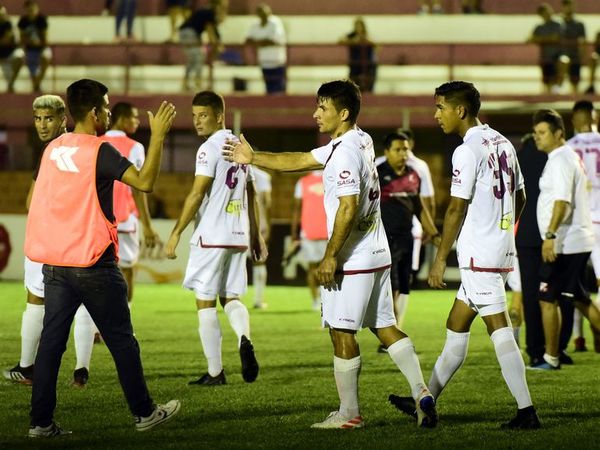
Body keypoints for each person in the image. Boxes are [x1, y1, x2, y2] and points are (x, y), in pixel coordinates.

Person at [223, 79, 438, 429]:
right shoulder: (359, 140)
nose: (315, 113)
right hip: (377, 252)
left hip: (353, 260)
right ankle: (421, 392)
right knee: (385, 326)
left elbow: (348, 205)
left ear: (344, 113)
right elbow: (301, 159)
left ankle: (349, 413)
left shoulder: (346, 154)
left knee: (341, 331)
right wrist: (254, 156)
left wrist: (330, 256)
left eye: (322, 108)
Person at [24, 79, 179, 437]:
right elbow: (144, 183)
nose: (109, 113)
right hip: (93, 262)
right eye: (106, 107)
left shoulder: (52, 150)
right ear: (93, 113)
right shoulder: (101, 150)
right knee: (122, 341)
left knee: (50, 344)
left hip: (56, 264)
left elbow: (36, 202)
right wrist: (157, 138)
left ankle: (41, 423)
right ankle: (144, 413)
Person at [390, 81, 540, 429]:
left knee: (499, 328)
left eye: (440, 107)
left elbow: (456, 208)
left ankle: (527, 411)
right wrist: (502, 231)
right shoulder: (503, 141)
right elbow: (521, 197)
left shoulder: (466, 150)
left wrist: (440, 258)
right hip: (498, 250)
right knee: (456, 326)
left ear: (460, 110)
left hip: (479, 255)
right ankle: (424, 402)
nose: (435, 114)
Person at [165, 90, 265, 387]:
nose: (197, 121)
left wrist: (175, 233)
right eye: (194, 116)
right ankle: (244, 338)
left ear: (219, 116)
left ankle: (215, 372)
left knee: (205, 303)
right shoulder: (241, 146)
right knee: (231, 298)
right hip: (238, 235)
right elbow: (251, 192)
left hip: (211, 234)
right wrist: (256, 234)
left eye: (203, 115)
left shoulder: (209, 148)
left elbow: (197, 193)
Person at [3, 94, 96, 388]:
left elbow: (32, 201)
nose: (42, 125)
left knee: (36, 299)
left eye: (49, 119)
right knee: (83, 302)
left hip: (48, 240)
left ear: (62, 119)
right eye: (37, 118)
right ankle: (81, 370)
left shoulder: (51, 151)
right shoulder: (83, 146)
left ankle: (27, 367)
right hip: (80, 239)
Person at [532, 108, 600, 370]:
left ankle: (551, 358)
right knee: (581, 299)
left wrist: (550, 236)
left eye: (542, 132)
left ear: (559, 133)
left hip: (567, 242)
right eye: (535, 132)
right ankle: (553, 355)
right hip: (576, 238)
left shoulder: (561, 159)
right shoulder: (564, 157)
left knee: (546, 297)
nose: (537, 137)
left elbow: (562, 201)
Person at [377, 132, 439, 336]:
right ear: (386, 152)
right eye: (398, 149)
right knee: (389, 286)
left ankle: (392, 330)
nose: (403, 153)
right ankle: (393, 333)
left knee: (403, 286)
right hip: (384, 239)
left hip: (406, 238)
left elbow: (419, 207)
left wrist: (434, 233)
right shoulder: (376, 174)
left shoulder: (414, 174)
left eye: (405, 149)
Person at [101, 102, 161, 305]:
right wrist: (148, 225)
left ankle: (94, 328)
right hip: (125, 220)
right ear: (122, 118)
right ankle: (122, 329)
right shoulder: (135, 147)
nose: (137, 121)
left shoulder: (96, 143)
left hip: (98, 221)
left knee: (97, 275)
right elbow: (138, 187)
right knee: (127, 271)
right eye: (134, 117)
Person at [566, 100, 600, 353]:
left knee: (574, 282)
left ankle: (579, 337)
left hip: (580, 222)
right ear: (594, 116)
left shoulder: (568, 148)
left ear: (575, 119)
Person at [291, 170, 328, 311]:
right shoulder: (331, 178)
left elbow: (296, 209)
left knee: (313, 268)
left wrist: (294, 232)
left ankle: (316, 300)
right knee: (327, 268)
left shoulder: (303, 182)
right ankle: (322, 298)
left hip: (310, 230)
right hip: (326, 231)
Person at [179, 0, 224, 91]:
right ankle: (197, 82)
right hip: (190, 33)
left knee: (192, 59)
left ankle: (186, 82)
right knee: (199, 56)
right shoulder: (209, 13)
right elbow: (210, 30)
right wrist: (215, 44)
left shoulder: (204, 11)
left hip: (185, 32)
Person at [245, 3, 287, 95]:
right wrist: (264, 42)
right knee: (269, 90)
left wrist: (257, 43)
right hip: (264, 62)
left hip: (277, 62)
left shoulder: (275, 22)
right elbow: (248, 40)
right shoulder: (255, 25)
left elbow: (273, 41)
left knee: (279, 91)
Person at [528, 3, 562, 94]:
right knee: (546, 80)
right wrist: (546, 38)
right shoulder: (539, 27)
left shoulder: (557, 24)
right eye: (544, 13)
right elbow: (530, 39)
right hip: (545, 56)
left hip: (556, 56)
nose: (547, 14)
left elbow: (555, 38)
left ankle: (554, 95)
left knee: (554, 78)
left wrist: (541, 39)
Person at [17, 0, 51, 92]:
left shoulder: (42, 20)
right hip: (29, 48)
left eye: (33, 9)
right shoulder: (23, 21)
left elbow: (45, 38)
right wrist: (28, 42)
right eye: (29, 9)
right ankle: (36, 86)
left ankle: (37, 84)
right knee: (30, 63)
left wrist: (39, 43)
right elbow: (21, 39)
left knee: (46, 57)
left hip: (41, 47)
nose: (31, 11)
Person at [250, 166, 271, 309]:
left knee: (234, 261)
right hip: (258, 221)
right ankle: (258, 299)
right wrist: (267, 224)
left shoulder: (233, 170)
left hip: (235, 221)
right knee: (259, 260)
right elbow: (267, 202)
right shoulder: (263, 176)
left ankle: (232, 299)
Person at [338, 17, 377, 93]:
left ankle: (368, 93)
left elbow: (376, 45)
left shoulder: (366, 35)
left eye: (360, 26)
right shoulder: (351, 35)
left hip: (366, 63)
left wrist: (366, 40)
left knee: (368, 81)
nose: (358, 28)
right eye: (357, 26)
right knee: (353, 81)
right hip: (355, 62)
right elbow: (340, 40)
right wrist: (353, 41)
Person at [557, 0, 586, 94]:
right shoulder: (559, 24)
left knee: (575, 83)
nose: (568, 8)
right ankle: (559, 86)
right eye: (566, 6)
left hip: (575, 56)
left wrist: (582, 55)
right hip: (561, 55)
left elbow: (582, 41)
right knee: (563, 61)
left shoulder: (579, 24)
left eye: (570, 6)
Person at [0, 5, 24, 92]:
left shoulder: (8, 24)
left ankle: (11, 83)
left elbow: (6, 40)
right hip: (1, 55)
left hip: (9, 53)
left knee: (20, 56)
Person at [584, 30, 600, 94]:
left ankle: (591, 85)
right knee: (593, 59)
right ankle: (591, 85)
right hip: (595, 57)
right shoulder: (595, 45)